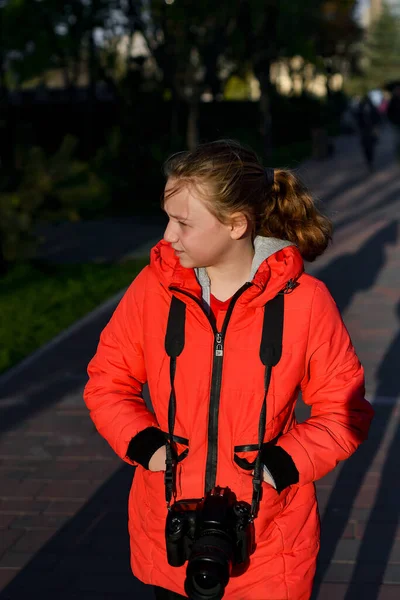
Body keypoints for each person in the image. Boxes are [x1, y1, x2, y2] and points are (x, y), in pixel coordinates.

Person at [83, 139, 374, 600]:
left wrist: (284, 464)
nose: (167, 236)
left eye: (182, 223)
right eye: (167, 218)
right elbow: (107, 380)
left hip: (270, 543)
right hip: (170, 532)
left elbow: (345, 411)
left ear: (236, 224)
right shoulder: (152, 289)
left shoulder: (306, 302)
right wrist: (145, 444)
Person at [355, 93, 381, 171]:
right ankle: (369, 161)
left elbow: (377, 118)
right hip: (364, 131)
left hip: (370, 130)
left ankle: (370, 161)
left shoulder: (372, 108)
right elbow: (358, 120)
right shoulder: (360, 109)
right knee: (366, 147)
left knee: (371, 147)